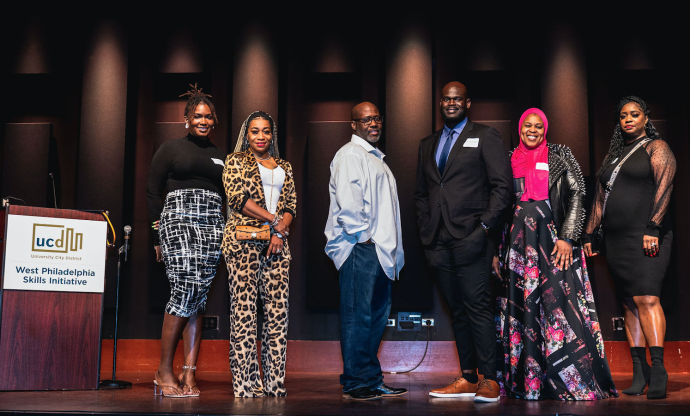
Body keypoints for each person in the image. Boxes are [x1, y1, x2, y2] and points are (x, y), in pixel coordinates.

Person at [494, 108, 617, 400]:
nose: (532, 130)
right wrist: (498, 251)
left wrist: (567, 237)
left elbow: (577, 194)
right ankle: (526, 382)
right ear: (520, 128)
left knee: (558, 304)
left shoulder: (559, 155)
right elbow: (500, 203)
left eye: (538, 126)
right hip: (516, 242)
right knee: (522, 307)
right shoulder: (509, 158)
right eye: (527, 126)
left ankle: (566, 380)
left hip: (552, 240)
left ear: (545, 129)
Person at [415, 81, 512, 402]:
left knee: (478, 308)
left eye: (457, 99)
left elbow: (502, 188)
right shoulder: (427, 144)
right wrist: (426, 231)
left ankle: (490, 380)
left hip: (473, 238)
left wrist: (484, 228)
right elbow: (421, 195)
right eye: (446, 98)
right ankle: (468, 377)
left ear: (467, 103)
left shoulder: (485, 136)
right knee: (456, 311)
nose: (451, 103)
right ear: (440, 102)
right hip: (438, 243)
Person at [583, 96, 676, 400]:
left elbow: (665, 186)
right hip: (617, 239)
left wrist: (654, 228)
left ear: (646, 118)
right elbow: (599, 199)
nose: (628, 119)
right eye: (623, 116)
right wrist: (589, 234)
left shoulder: (656, 148)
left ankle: (659, 368)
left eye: (634, 114)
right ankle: (640, 370)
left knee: (647, 298)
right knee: (629, 304)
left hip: (647, 235)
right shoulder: (614, 155)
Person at [147, 84, 226, 397]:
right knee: (185, 287)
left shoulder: (222, 156)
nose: (203, 121)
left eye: (208, 116)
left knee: (199, 295)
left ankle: (189, 373)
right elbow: (154, 193)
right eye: (197, 116)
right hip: (178, 220)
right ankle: (163, 369)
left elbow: (229, 196)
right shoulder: (170, 149)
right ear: (187, 119)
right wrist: (156, 236)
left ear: (214, 120)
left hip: (212, 225)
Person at [325, 102, 406, 401]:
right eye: (366, 119)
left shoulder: (375, 158)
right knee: (357, 317)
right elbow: (349, 203)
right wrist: (364, 238)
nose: (374, 123)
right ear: (353, 124)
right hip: (361, 249)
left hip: (380, 252)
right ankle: (356, 382)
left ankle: (370, 379)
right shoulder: (350, 155)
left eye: (377, 118)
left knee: (374, 318)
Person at [222, 111, 295, 398]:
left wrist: (279, 231)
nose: (261, 136)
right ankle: (246, 385)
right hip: (242, 243)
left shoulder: (284, 166)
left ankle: (275, 384)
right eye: (255, 131)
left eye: (266, 131)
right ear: (247, 134)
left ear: (272, 134)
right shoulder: (235, 161)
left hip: (277, 244)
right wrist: (273, 220)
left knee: (277, 315)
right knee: (244, 314)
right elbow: (238, 199)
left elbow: (291, 204)